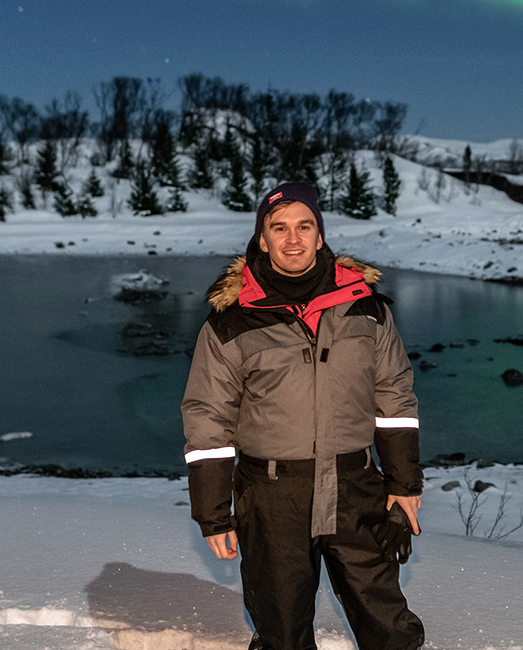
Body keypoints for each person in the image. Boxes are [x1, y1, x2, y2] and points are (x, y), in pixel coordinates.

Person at [181, 181, 425, 650]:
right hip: (273, 497)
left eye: (304, 226)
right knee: (283, 629)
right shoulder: (231, 321)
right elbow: (208, 416)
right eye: (280, 228)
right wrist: (214, 513)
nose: (293, 239)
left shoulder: (365, 306)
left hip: (356, 486)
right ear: (262, 239)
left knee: (387, 623)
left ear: (320, 235)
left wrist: (403, 481)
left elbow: (393, 394)